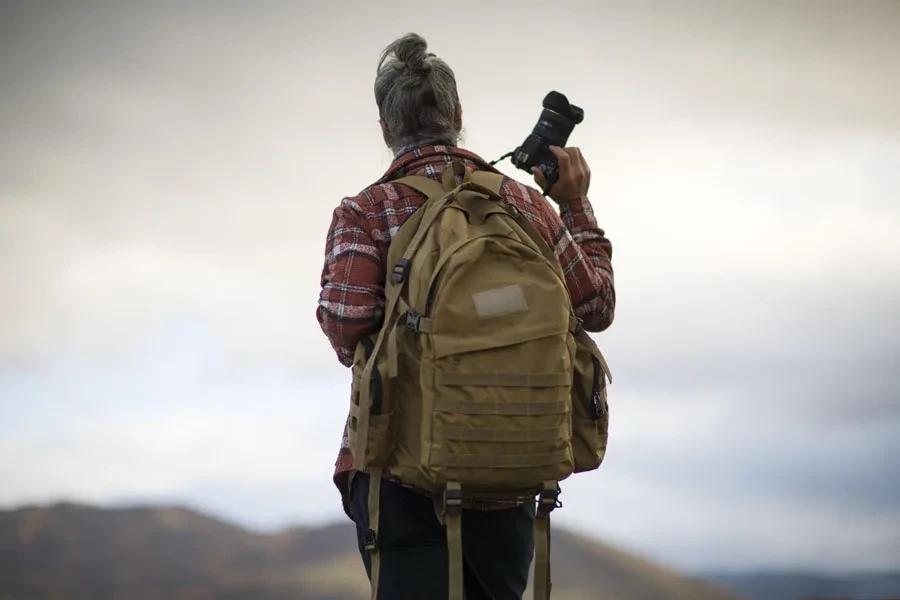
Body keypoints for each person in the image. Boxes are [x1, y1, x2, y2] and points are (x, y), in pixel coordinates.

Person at [316, 32, 616, 600]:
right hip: (510, 468)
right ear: (457, 115)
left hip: (396, 470)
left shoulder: (366, 212)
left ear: (386, 129)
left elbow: (346, 322)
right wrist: (572, 202)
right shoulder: (526, 206)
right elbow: (596, 306)